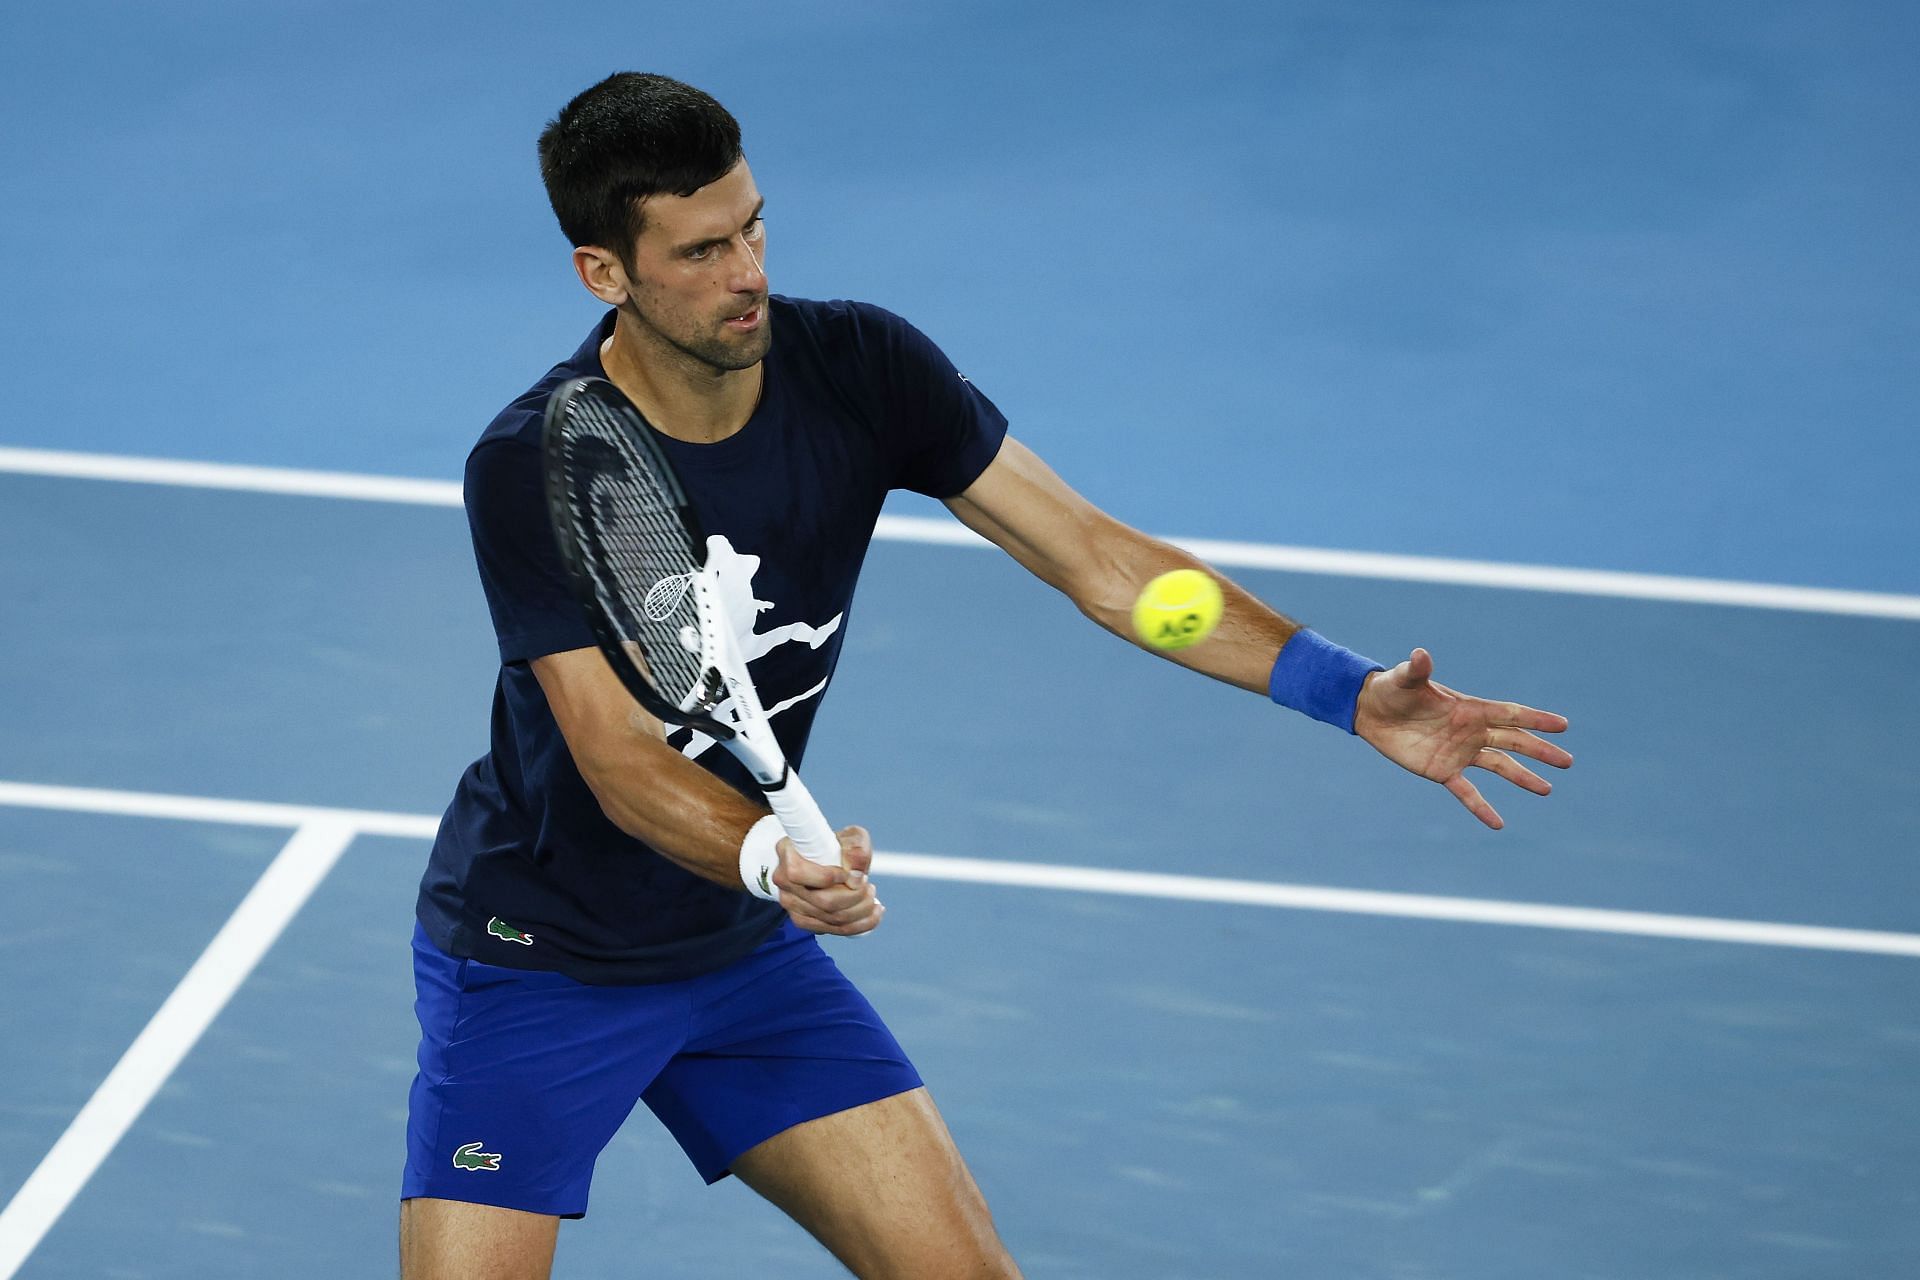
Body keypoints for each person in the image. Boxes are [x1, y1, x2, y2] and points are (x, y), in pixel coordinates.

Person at [399, 71, 1572, 1279]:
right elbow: (616, 757)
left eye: (752, 226)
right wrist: (771, 856)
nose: (748, 271)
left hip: (738, 954)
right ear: (606, 273)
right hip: (538, 961)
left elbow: (1105, 561)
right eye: (701, 250)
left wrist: (1343, 687)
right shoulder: (537, 461)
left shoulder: (861, 366)